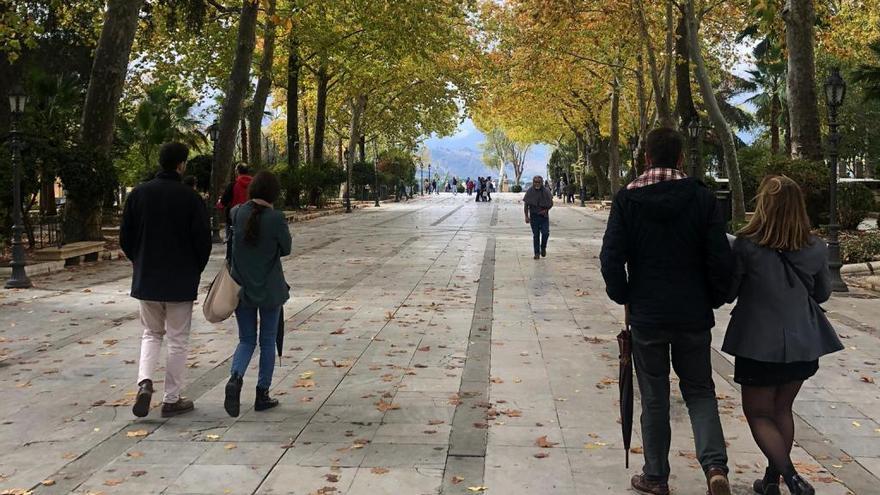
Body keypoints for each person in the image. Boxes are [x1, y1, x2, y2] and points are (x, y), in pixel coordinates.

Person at [599, 127, 733, 495]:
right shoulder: (702, 198)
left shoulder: (626, 200)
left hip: (647, 314)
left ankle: (656, 476)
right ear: (680, 159)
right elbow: (720, 256)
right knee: (700, 390)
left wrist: (624, 294)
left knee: (654, 396)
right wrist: (717, 295)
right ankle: (715, 466)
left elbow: (611, 258)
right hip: (692, 312)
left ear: (645, 158)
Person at [724, 176, 842, 495]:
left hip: (757, 342)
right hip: (803, 342)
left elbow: (730, 290)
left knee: (759, 413)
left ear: (764, 205)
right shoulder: (816, 247)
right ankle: (771, 481)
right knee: (782, 410)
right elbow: (822, 293)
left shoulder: (746, 246)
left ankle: (791, 478)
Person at [120, 142, 212, 419]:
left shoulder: (138, 194)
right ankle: (171, 398)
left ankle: (145, 382)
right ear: (181, 165)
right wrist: (194, 269)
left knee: (151, 333)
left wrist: (139, 261)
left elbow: (126, 238)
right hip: (180, 280)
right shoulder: (191, 198)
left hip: (147, 278)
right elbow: (203, 242)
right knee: (177, 339)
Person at [224, 170, 292, 417]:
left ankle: (235, 377)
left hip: (242, 289)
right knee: (267, 341)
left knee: (246, 340)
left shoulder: (236, 213)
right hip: (270, 290)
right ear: (274, 193)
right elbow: (286, 248)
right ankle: (262, 393)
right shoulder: (276, 218)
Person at [220, 164, 253, 239]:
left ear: (237, 172)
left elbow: (224, 201)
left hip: (234, 218)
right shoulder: (255, 185)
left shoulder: (232, 185)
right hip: (252, 217)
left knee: (231, 242)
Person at [523, 175, 553, 259]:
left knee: (545, 233)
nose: (537, 184)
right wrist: (526, 216)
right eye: (535, 182)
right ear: (533, 182)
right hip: (534, 216)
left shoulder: (546, 191)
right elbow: (526, 205)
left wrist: (546, 210)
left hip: (544, 217)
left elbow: (551, 203)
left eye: (538, 182)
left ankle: (543, 247)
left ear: (542, 182)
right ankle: (536, 253)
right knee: (536, 235)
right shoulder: (530, 191)